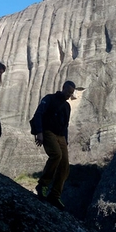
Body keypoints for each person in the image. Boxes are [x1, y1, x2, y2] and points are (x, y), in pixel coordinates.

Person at [32, 80, 76, 211]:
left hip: (61, 136)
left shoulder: (67, 106)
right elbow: (38, 114)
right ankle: (43, 184)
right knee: (56, 155)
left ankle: (55, 195)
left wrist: (66, 141)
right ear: (63, 88)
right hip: (48, 131)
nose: (69, 95)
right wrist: (39, 132)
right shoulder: (49, 98)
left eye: (71, 93)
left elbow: (66, 125)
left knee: (65, 165)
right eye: (68, 92)